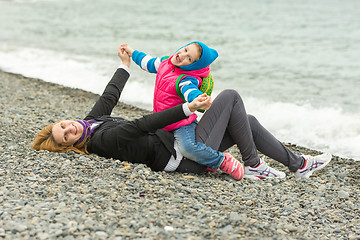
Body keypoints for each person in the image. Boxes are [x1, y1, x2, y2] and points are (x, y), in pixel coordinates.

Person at [32, 44, 332, 180]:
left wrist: (124, 64)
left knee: (247, 122)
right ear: (70, 145)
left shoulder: (91, 124)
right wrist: (186, 107)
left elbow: (109, 96)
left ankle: (299, 163)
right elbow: (141, 124)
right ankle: (253, 163)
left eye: (63, 125)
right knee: (230, 97)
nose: (70, 128)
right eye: (66, 136)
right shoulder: (100, 141)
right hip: (180, 157)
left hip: (175, 143)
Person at [120, 41, 244, 180]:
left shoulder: (185, 78)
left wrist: (198, 99)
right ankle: (205, 158)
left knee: (188, 148)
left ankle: (221, 161)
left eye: (189, 58)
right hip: (162, 120)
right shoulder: (165, 62)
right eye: (185, 49)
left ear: (193, 66)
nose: (182, 55)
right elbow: (147, 62)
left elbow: (189, 91)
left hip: (181, 124)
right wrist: (131, 52)